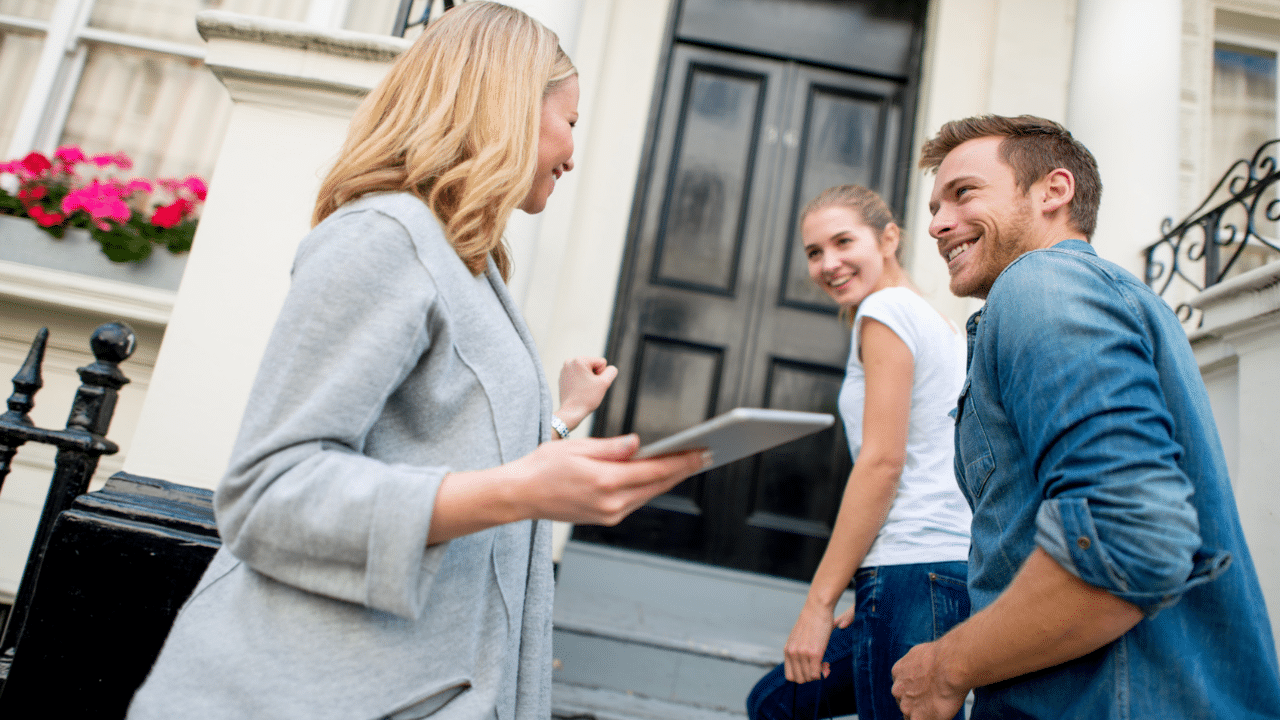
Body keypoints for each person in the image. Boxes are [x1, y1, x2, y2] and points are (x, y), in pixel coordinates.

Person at [126, 4, 708, 719]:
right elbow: (267, 494)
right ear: (508, 108)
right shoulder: (383, 236)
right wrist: (522, 491)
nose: (573, 152)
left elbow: (441, 455)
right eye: (572, 123)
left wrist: (556, 423)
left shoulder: (467, 262)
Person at [891, 114, 1280, 720]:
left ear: (1054, 190)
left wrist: (947, 667)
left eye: (963, 192)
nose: (938, 223)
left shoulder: (1042, 285)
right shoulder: (1106, 296)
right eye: (936, 204)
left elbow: (1131, 537)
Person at [745, 185, 971, 720]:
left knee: (778, 704)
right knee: (777, 702)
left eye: (844, 242)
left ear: (889, 238)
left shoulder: (886, 311)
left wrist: (817, 606)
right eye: (814, 252)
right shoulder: (937, 322)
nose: (829, 263)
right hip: (933, 569)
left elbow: (882, 463)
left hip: (914, 566)